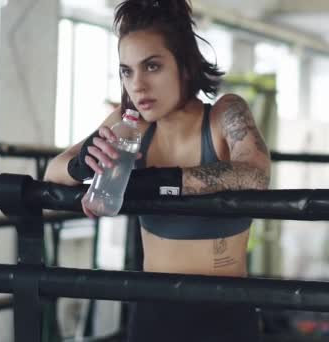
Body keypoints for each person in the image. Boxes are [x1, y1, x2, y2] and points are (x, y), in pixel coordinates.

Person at [45, 0, 271, 340]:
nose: (137, 85)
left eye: (152, 67)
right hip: (154, 313)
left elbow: (256, 172)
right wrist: (82, 163)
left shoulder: (224, 113)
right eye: (127, 70)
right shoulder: (129, 126)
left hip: (224, 312)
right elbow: (53, 172)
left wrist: (164, 182)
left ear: (184, 64)